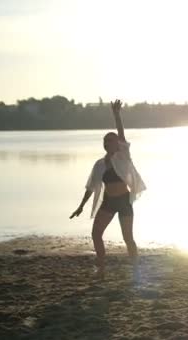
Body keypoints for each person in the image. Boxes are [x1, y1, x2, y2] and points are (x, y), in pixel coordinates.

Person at [70, 99, 146, 278]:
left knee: (128, 238)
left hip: (124, 202)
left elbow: (121, 133)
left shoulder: (123, 157)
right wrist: (81, 206)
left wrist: (117, 114)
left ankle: (136, 269)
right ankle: (101, 266)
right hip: (109, 202)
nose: (113, 142)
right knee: (96, 233)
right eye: (108, 141)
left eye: (114, 140)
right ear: (105, 145)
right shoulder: (99, 165)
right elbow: (91, 187)